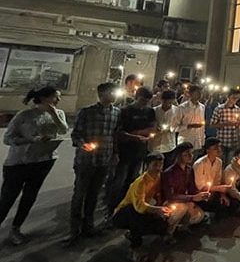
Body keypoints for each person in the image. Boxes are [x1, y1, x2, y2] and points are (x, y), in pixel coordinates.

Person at [0, 87, 68, 245]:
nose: (58, 101)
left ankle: (16, 228)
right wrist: (31, 140)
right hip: (19, 163)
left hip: (44, 161)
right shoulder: (24, 115)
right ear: (44, 98)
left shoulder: (59, 113)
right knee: (8, 198)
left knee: (29, 196)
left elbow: (64, 129)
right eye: (55, 97)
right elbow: (8, 138)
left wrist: (53, 115)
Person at [63, 83, 121, 246]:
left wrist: (115, 154)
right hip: (86, 161)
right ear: (101, 94)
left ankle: (89, 226)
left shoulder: (116, 113)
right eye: (111, 92)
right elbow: (76, 135)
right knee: (79, 194)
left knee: (94, 194)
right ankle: (74, 229)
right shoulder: (87, 112)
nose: (115, 95)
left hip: (104, 160)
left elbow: (114, 135)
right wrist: (83, 145)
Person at [112, 154, 172, 262]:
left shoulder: (159, 177)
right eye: (155, 165)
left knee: (161, 224)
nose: (158, 168)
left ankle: (134, 234)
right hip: (124, 214)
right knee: (134, 214)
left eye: (161, 164)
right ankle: (135, 248)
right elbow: (139, 206)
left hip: (142, 210)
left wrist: (163, 206)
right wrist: (157, 210)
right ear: (147, 166)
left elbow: (158, 195)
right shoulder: (140, 182)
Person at [107, 87, 156, 214]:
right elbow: (119, 133)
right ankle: (112, 209)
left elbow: (152, 129)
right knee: (119, 181)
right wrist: (135, 136)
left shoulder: (149, 112)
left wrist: (138, 133)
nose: (144, 104)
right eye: (142, 100)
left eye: (147, 101)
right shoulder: (125, 111)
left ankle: (127, 207)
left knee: (133, 181)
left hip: (140, 152)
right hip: (125, 152)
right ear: (136, 97)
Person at [161, 142, 210, 231]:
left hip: (185, 200)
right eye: (186, 154)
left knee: (199, 215)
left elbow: (192, 189)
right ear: (179, 156)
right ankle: (168, 232)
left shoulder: (189, 170)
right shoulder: (170, 173)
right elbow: (170, 196)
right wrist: (192, 198)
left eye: (191, 153)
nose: (190, 156)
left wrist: (201, 195)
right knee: (182, 208)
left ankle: (181, 227)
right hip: (171, 202)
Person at [193, 137, 231, 214]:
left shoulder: (219, 162)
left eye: (219, 147)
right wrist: (219, 189)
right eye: (215, 148)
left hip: (213, 191)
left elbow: (218, 180)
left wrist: (222, 194)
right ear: (207, 150)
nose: (219, 149)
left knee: (229, 200)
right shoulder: (199, 164)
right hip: (200, 193)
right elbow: (199, 186)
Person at [211, 88, 240, 165]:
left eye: (237, 98)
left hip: (233, 141)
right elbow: (212, 124)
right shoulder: (219, 109)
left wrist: (237, 124)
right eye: (234, 98)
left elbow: (238, 124)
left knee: (229, 164)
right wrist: (226, 124)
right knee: (220, 164)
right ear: (228, 96)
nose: (235, 100)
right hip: (222, 141)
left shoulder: (237, 109)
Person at [150, 90, 179, 168]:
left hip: (169, 145)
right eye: (165, 102)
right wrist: (155, 128)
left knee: (167, 168)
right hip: (154, 145)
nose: (167, 104)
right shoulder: (154, 110)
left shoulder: (177, 111)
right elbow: (150, 124)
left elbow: (179, 125)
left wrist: (169, 128)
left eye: (169, 102)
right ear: (161, 100)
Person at [177, 85, 206, 158]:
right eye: (197, 93)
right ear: (190, 94)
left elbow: (202, 126)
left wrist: (202, 141)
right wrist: (190, 126)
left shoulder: (202, 107)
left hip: (197, 141)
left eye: (200, 93)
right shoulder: (182, 107)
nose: (199, 95)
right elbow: (175, 126)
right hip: (186, 140)